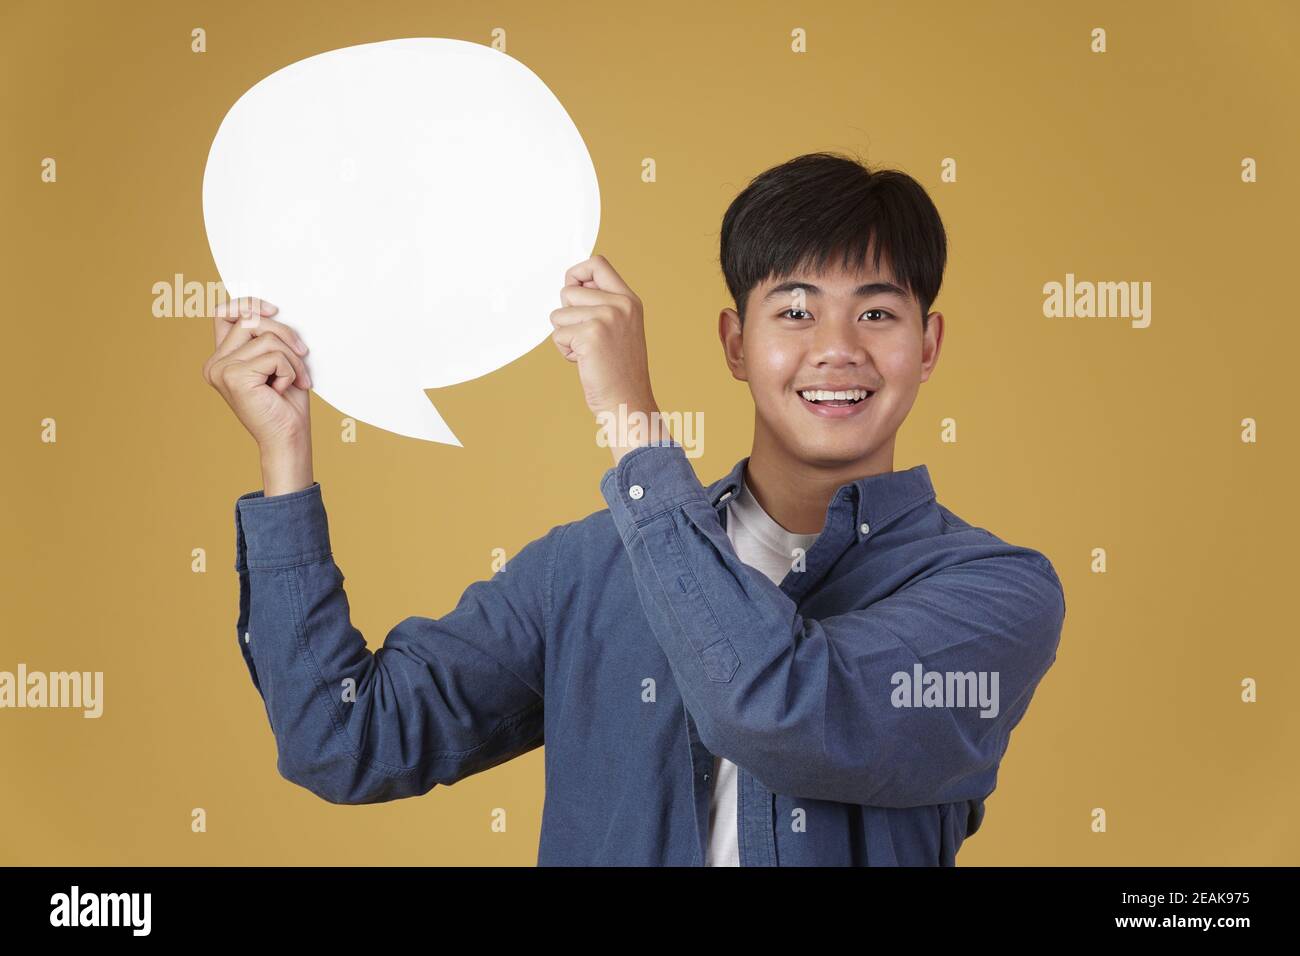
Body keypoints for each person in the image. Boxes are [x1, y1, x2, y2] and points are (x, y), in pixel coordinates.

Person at [202, 151, 1066, 866]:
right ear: (735, 343)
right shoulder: (592, 571)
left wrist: (633, 421)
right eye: (794, 310)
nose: (836, 349)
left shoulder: (993, 594)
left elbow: (772, 708)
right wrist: (285, 458)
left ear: (928, 346)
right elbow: (343, 738)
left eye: (877, 312)